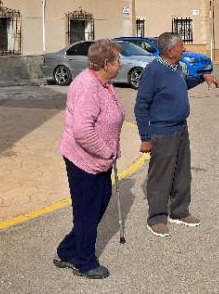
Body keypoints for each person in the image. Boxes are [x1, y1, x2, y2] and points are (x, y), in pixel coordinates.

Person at [135, 32, 219, 238]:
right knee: (161, 176)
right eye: (181, 46)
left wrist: (202, 77)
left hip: (181, 128)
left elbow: (184, 83)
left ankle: (179, 211)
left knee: (182, 173)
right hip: (162, 132)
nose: (184, 49)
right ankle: (156, 217)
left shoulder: (176, 68)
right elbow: (141, 106)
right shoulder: (153, 71)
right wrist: (145, 138)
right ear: (170, 50)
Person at [54, 39, 125, 279]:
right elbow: (82, 131)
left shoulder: (105, 83)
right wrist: (106, 151)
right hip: (83, 160)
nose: (120, 63)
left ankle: (66, 251)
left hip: (100, 161)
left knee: (96, 206)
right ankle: (83, 262)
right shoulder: (87, 86)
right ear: (106, 63)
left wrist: (111, 149)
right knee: (87, 212)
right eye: (117, 60)